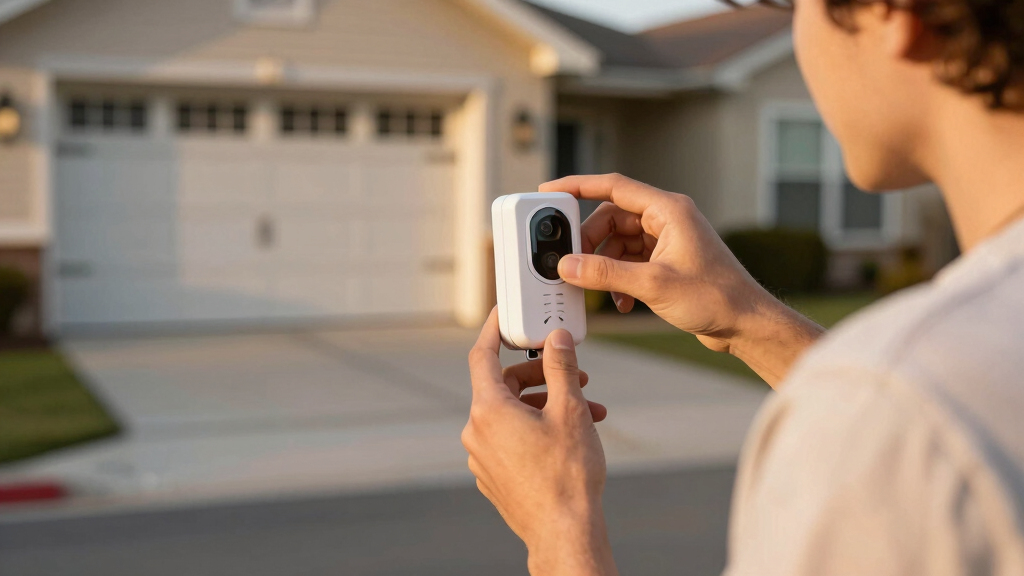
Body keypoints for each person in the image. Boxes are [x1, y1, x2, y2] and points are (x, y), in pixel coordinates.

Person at [462, 0, 1024, 573]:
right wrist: (746, 320)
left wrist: (559, 526)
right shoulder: (909, 394)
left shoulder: (895, 415)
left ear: (892, 15)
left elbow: (901, 410)